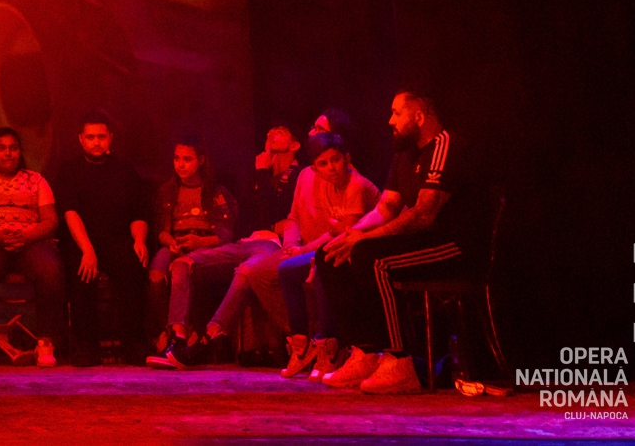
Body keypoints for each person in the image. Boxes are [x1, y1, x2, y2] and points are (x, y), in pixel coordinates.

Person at [315, 90, 489, 394]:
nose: (390, 120)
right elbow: (387, 207)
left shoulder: (444, 145)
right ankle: (366, 352)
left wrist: (364, 239)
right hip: (421, 242)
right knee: (330, 255)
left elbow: (424, 215)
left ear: (419, 117)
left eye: (397, 113)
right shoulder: (405, 153)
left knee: (372, 258)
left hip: (453, 245)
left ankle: (398, 361)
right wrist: (351, 234)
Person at [156, 124, 302, 368]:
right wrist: (261, 174)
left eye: (280, 131)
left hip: (273, 245)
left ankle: (209, 338)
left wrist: (262, 175)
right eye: (269, 130)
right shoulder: (259, 171)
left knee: (246, 272)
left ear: (295, 145)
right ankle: (178, 340)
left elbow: (278, 216)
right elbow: (249, 217)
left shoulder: (299, 176)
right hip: (247, 241)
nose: (271, 133)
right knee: (182, 263)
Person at [276, 128, 382, 378]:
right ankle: (302, 344)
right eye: (323, 164)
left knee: (324, 264)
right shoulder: (328, 186)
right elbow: (332, 232)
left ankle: (330, 345)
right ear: (315, 169)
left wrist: (315, 256)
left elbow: (349, 234)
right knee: (287, 269)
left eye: (335, 160)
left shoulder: (356, 185)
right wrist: (303, 250)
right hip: (344, 247)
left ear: (347, 158)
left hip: (369, 250)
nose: (331, 168)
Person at [51, 110, 151, 365]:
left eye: (101, 137)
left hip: (117, 239)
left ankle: (133, 343)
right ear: (81, 139)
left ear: (110, 138)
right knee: (82, 272)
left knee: (134, 265)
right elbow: (70, 213)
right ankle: (86, 346)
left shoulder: (125, 171)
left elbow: (138, 212)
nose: (96, 142)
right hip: (81, 241)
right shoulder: (70, 170)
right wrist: (87, 250)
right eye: (91, 137)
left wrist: (139, 241)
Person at [0, 126, 64, 369]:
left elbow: (51, 221)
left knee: (51, 269)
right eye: (2, 148)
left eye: (13, 148)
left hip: (30, 241)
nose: (8, 153)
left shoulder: (36, 180)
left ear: (20, 152)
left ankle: (45, 342)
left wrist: (26, 237)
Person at [146, 136, 235, 352]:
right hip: (176, 243)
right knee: (157, 269)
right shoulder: (167, 191)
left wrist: (199, 242)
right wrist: (170, 241)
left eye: (187, 159)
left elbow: (226, 234)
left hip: (205, 245)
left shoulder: (215, 191)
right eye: (177, 159)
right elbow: (161, 230)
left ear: (201, 160)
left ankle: (190, 330)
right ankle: (164, 330)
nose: (181, 165)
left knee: (185, 270)